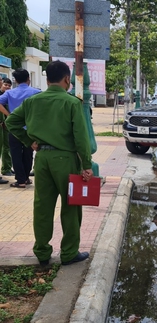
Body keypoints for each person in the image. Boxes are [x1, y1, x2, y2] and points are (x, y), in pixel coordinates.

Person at [6, 60, 93, 266]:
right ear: (66, 79)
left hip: (42, 159)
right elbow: (81, 137)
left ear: (47, 80)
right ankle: (69, 252)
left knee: (43, 207)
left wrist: (29, 141)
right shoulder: (72, 102)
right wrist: (86, 164)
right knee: (71, 206)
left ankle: (43, 252)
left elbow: (11, 122)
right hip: (65, 159)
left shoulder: (33, 101)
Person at [0, 69, 41, 188]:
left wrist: (9, 115)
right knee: (28, 153)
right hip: (31, 128)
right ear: (28, 79)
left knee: (15, 153)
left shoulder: (9, 93)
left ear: (16, 80)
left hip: (14, 129)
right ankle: (27, 178)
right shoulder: (36, 92)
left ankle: (20, 180)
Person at [0, 78, 13, 183]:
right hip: (3, 123)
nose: (7, 87)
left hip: (4, 124)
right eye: (5, 84)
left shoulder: (7, 96)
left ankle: (7, 168)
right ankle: (5, 168)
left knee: (6, 146)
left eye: (9, 85)